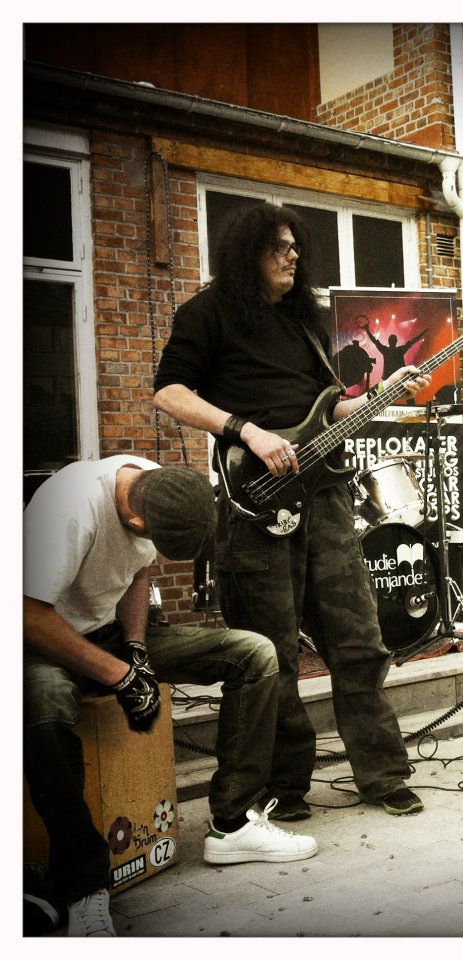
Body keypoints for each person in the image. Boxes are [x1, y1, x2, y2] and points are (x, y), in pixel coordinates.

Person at [154, 202, 429, 822]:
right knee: (272, 652)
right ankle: (285, 785)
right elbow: (168, 392)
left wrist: (380, 395)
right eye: (280, 247)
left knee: (359, 641)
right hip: (253, 503)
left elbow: (325, 409)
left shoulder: (307, 320)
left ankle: (383, 774)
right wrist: (245, 431)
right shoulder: (207, 312)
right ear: (248, 253)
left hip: (324, 496)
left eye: (296, 246)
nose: (293, 256)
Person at [24, 459, 318, 937]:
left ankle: (231, 825)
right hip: (41, 642)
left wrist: (136, 650)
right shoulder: (68, 507)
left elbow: (137, 574)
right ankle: (82, 887)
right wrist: (119, 676)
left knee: (254, 654)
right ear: (136, 518)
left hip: (108, 635)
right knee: (44, 707)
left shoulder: (162, 486)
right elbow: (26, 614)